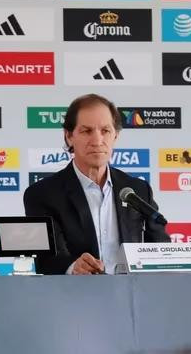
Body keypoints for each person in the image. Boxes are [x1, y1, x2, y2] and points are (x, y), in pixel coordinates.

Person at [23, 94, 170, 275]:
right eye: (86, 131)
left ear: (115, 135)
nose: (97, 140)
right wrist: (73, 267)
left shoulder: (138, 190)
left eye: (105, 131)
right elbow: (47, 260)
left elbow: (161, 249)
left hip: (132, 297)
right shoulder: (42, 194)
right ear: (69, 136)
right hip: (74, 296)